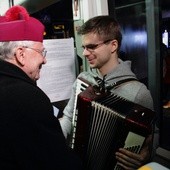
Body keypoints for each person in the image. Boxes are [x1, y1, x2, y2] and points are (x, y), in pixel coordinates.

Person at [59, 15, 155, 169]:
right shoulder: (83, 80)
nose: (85, 53)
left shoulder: (139, 92)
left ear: (113, 45)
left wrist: (145, 154)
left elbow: (151, 138)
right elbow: (69, 117)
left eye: (91, 46)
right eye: (84, 47)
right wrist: (52, 137)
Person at [0, 5, 82, 170]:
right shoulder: (27, 97)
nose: (44, 61)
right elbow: (57, 162)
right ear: (21, 54)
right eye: (41, 53)